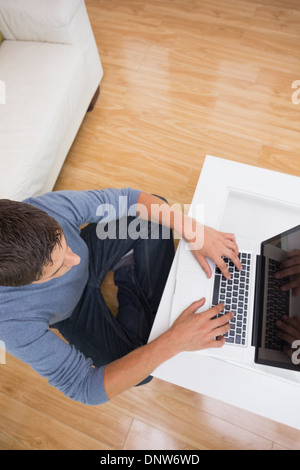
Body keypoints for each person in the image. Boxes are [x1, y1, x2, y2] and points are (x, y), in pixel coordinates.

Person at [0, 188, 241, 405]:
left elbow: (127, 199)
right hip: (73, 313)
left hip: (95, 249)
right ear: (24, 283)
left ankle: (130, 271)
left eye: (64, 243)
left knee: (156, 210)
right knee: (139, 371)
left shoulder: (45, 208)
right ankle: (131, 271)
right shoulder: (9, 321)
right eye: (58, 268)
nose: (75, 261)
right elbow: (84, 387)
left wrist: (195, 231)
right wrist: (174, 341)